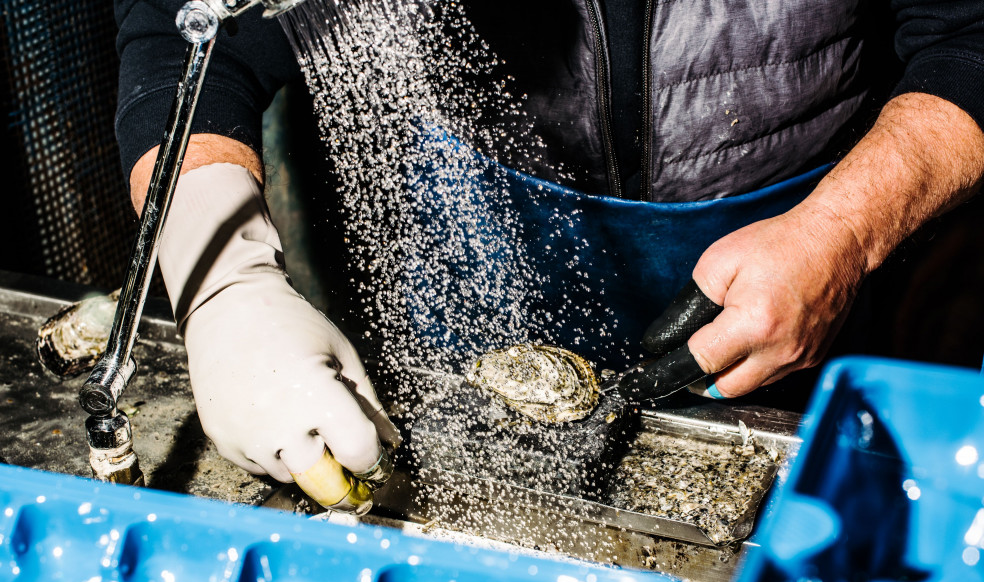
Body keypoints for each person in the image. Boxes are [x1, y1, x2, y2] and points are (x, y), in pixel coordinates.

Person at [114, 0, 984, 506]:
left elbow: (969, 38)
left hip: (812, 259)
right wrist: (223, 278)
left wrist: (846, 229)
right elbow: (191, 32)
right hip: (473, 258)